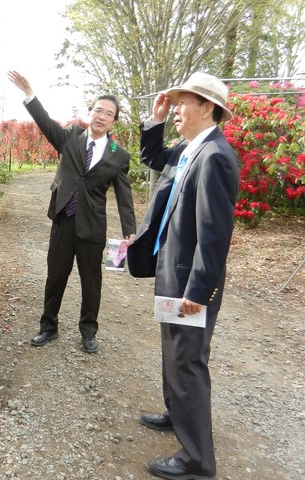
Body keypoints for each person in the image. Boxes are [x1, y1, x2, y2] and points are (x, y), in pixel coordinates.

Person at [127, 72, 239, 480]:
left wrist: (199, 291)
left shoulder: (216, 157)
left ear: (207, 107)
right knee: (173, 353)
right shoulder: (191, 149)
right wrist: (154, 122)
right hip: (170, 271)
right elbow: (153, 158)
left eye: (182, 102)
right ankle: (177, 414)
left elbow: (213, 235)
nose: (175, 108)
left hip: (190, 283)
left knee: (188, 361)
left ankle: (197, 460)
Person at [8, 70, 136, 353]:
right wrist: (30, 93)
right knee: (55, 277)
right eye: (98, 110)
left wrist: (129, 229)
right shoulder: (70, 138)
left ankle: (88, 331)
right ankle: (48, 327)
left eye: (108, 114)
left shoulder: (119, 154)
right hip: (64, 220)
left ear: (114, 121)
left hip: (93, 225)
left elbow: (124, 195)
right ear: (90, 112)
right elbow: (44, 123)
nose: (102, 116)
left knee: (92, 283)